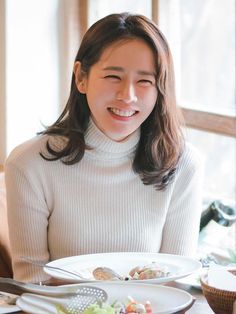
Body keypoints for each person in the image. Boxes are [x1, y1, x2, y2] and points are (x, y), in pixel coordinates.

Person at [5, 12, 203, 283]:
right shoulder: (29, 164)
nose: (127, 96)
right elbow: (34, 283)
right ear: (81, 77)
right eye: (113, 76)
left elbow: (176, 282)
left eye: (144, 81)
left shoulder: (183, 164)